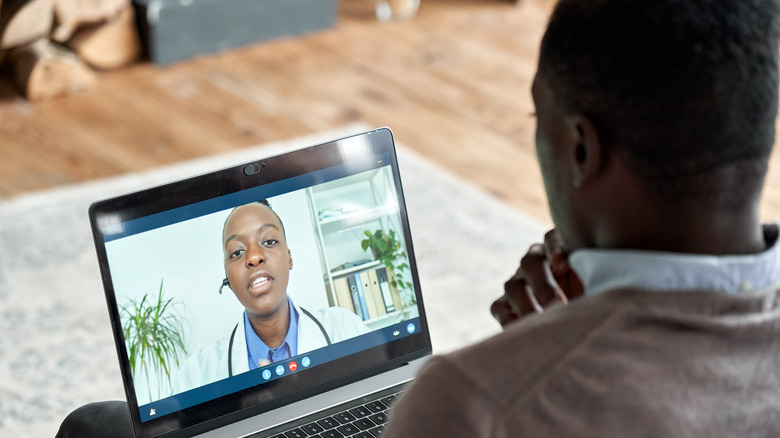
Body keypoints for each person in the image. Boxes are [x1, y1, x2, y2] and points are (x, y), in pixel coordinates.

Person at [383, 0, 780, 436]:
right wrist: (560, 339)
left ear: (580, 150)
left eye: (538, 116)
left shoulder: (470, 406)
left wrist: (534, 364)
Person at [171, 200, 369, 393]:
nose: (254, 258)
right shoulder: (194, 377)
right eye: (237, 252)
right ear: (228, 279)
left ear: (289, 257)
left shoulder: (347, 329)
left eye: (269, 241)